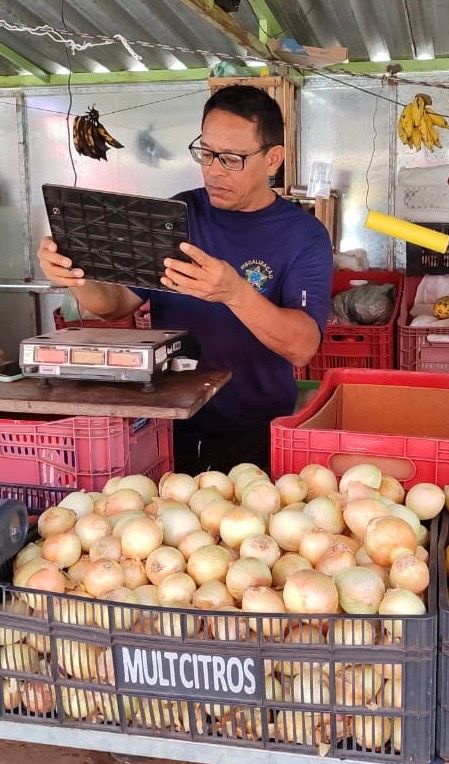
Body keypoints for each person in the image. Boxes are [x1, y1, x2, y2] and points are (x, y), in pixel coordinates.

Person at [37, 85, 334, 475]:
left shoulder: (304, 235)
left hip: (256, 431)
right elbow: (116, 305)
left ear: (273, 160)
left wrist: (234, 292)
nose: (213, 170)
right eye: (206, 153)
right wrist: (75, 276)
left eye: (231, 159)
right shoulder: (180, 214)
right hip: (166, 424)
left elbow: (302, 347)